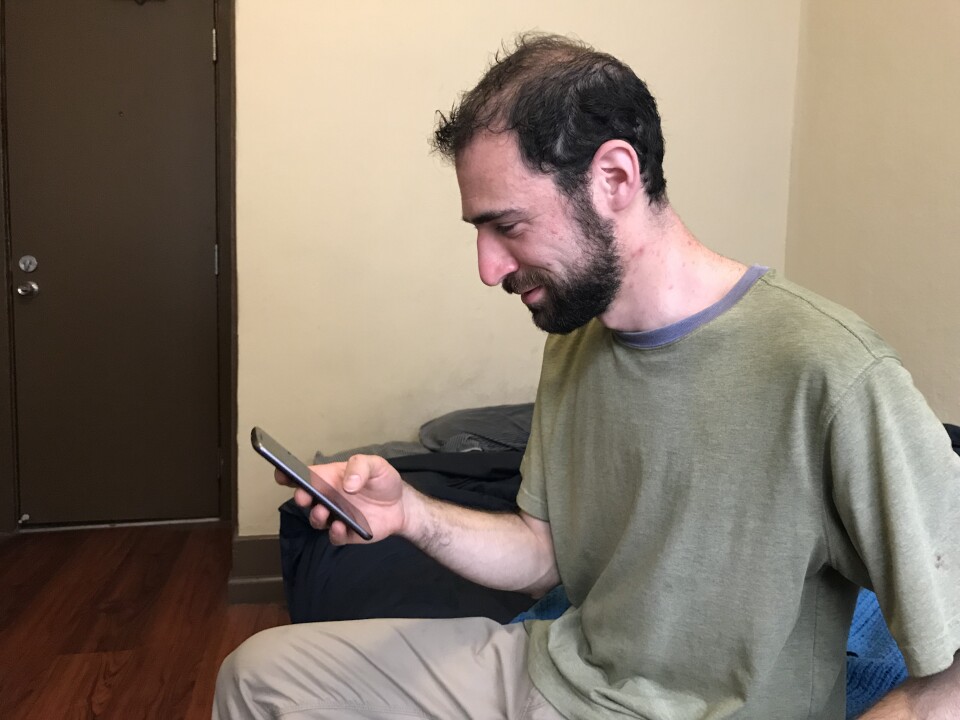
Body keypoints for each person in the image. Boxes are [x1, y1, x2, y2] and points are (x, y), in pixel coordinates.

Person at [214, 34, 960, 719]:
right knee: (260, 676)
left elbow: (949, 672)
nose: (488, 268)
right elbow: (546, 555)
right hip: (558, 676)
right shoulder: (576, 335)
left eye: (506, 226)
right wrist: (409, 512)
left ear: (613, 177)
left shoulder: (831, 372)